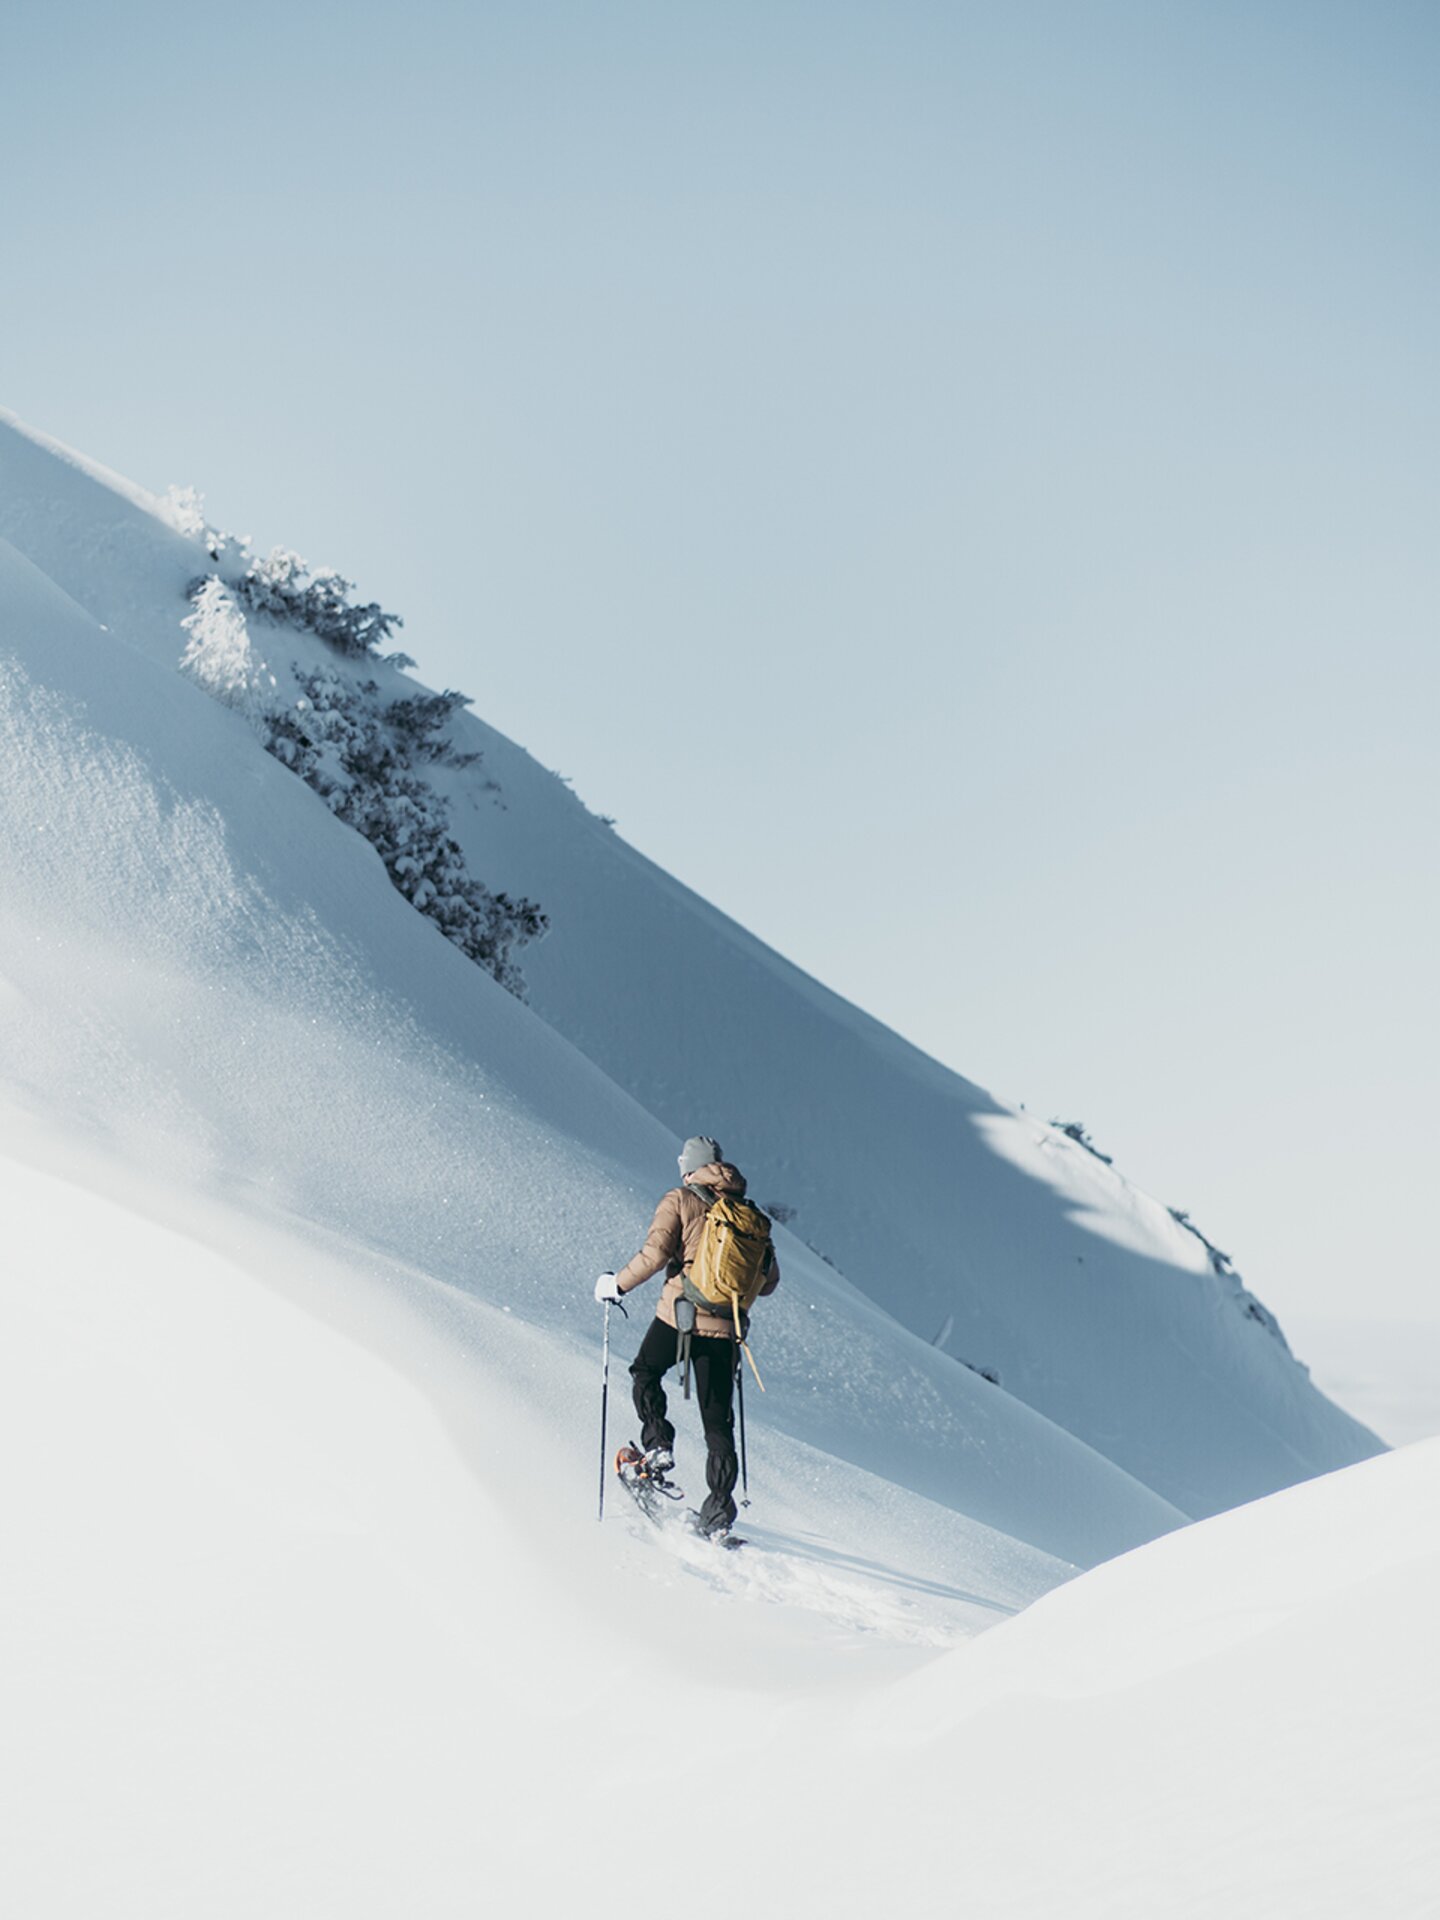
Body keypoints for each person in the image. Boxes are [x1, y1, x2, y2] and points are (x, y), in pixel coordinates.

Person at [595, 1136, 779, 1537]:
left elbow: (655, 1255)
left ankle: (658, 1446)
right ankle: (718, 1512)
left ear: (689, 1167)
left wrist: (616, 1286)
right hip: (727, 1329)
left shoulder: (679, 1199)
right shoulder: (749, 1214)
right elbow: (769, 1283)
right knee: (718, 1423)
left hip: (680, 1315)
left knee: (645, 1371)